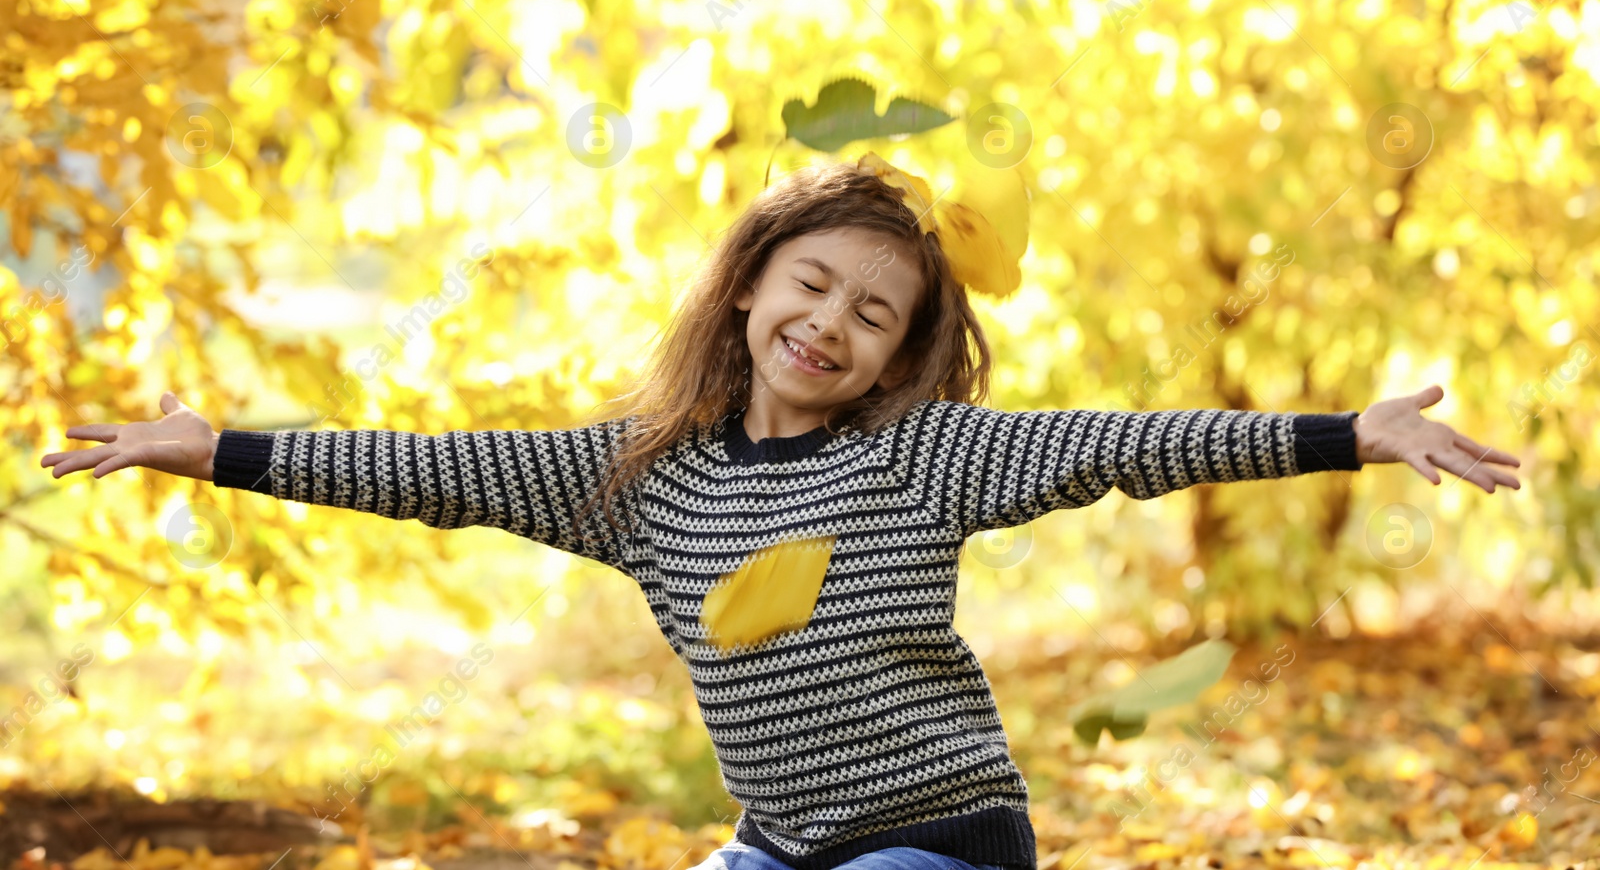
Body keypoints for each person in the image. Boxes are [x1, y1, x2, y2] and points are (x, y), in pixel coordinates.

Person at [40, 159, 1521, 870]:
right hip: (776, 844)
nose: (833, 326)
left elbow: (1126, 444)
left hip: (936, 841)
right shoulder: (636, 479)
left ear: (901, 352)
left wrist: (1348, 433)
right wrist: (220, 448)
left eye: (874, 316)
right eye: (812, 287)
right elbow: (427, 472)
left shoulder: (923, 458)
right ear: (751, 287)